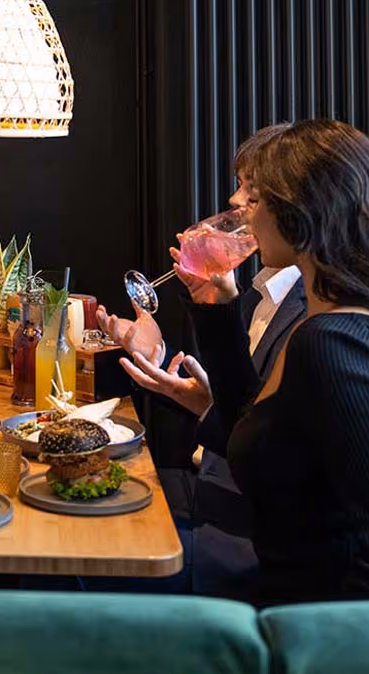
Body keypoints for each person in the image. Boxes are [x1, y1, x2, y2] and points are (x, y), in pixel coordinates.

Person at [187, 119, 369, 605]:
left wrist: (310, 663)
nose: (240, 211)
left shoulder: (335, 345)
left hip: (300, 634)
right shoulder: (322, 324)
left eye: (257, 197)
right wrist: (219, 312)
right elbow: (252, 426)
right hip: (276, 605)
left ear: (303, 212)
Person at [98, 125, 307, 597]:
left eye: (251, 193)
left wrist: (212, 404)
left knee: (83, 546)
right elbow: (246, 410)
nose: (235, 200)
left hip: (242, 532)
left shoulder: (317, 320)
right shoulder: (263, 294)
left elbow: (269, 453)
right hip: (212, 485)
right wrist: (165, 364)